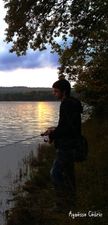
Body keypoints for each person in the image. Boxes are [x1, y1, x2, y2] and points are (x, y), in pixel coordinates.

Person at [42, 78, 83, 211]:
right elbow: (67, 125)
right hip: (72, 144)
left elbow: (67, 129)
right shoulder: (73, 103)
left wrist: (53, 135)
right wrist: (53, 129)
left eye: (56, 91)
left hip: (66, 146)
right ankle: (71, 203)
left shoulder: (66, 104)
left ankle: (62, 205)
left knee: (55, 174)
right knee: (68, 175)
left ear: (63, 91)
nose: (54, 93)